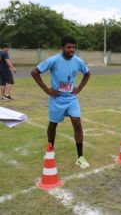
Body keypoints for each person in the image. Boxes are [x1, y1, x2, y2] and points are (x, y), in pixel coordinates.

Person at [31, 36, 91, 169]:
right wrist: (47, 90)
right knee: (53, 125)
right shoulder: (53, 60)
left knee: (77, 123)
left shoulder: (78, 61)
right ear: (62, 47)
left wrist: (79, 88)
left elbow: (87, 73)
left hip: (71, 99)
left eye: (74, 47)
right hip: (57, 99)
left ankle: (80, 157)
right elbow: (34, 72)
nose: (72, 50)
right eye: (69, 47)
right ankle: (50, 150)